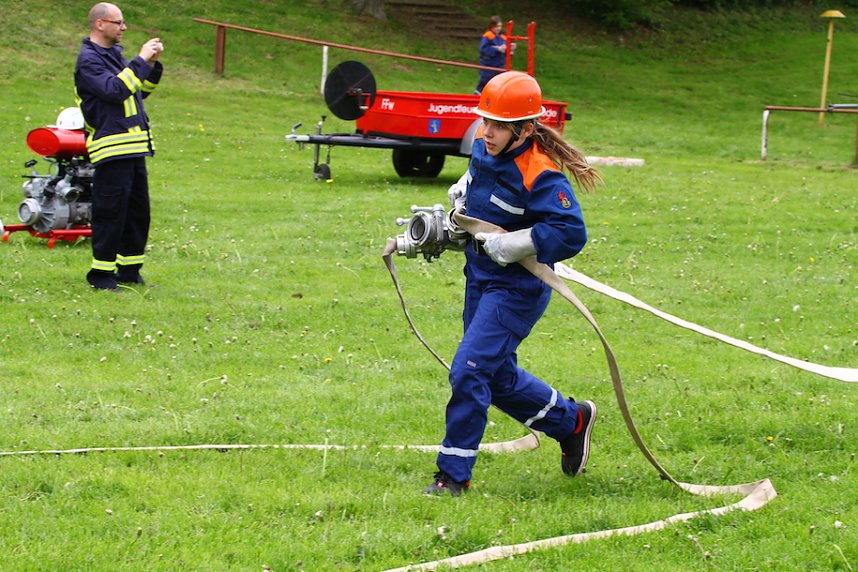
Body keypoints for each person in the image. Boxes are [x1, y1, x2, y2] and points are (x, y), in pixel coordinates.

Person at [425, 71, 602, 496]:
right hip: (479, 277)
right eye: (484, 120)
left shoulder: (541, 173)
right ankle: (571, 421)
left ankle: (452, 477)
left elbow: (571, 232)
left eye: (497, 125)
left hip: (517, 288)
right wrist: (459, 202)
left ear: (524, 128)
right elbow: (480, 186)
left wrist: (516, 243)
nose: (486, 131)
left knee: (469, 370)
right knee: (495, 377)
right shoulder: (485, 149)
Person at [74, 2, 164, 290]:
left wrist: (149, 65)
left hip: (133, 146)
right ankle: (101, 275)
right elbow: (114, 91)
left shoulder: (113, 56)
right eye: (118, 22)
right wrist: (139, 60)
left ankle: (129, 272)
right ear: (100, 24)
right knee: (111, 212)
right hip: (111, 148)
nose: (123, 28)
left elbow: (138, 92)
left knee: (138, 213)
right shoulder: (89, 59)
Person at [475, 16, 514, 95]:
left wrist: (510, 49)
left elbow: (506, 49)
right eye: (496, 26)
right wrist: (497, 49)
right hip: (488, 66)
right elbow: (483, 49)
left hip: (499, 66)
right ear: (491, 26)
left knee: (497, 86)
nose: (498, 28)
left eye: (500, 26)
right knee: (484, 84)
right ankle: (475, 98)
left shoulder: (502, 37)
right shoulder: (487, 36)